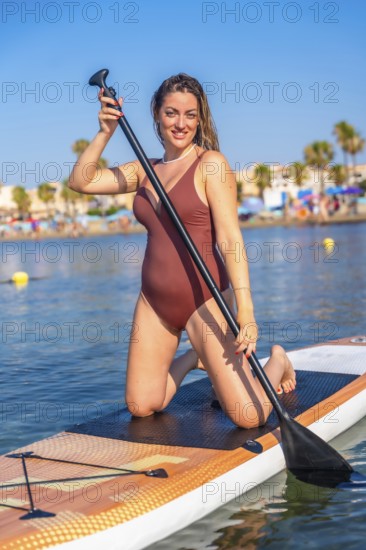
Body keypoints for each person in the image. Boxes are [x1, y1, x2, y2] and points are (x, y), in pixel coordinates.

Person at [69, 73, 296, 429]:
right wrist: (105, 132)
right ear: (157, 114)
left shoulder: (211, 165)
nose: (181, 123)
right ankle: (193, 357)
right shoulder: (144, 170)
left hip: (204, 301)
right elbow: (81, 181)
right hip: (153, 302)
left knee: (249, 418)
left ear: (200, 118)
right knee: (142, 405)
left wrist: (247, 309)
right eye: (172, 112)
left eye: (190, 114)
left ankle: (279, 360)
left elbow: (230, 239)